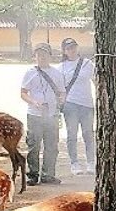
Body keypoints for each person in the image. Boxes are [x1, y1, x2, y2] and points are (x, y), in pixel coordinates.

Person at [21, 42, 65, 185]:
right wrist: (34, 102)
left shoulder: (57, 74)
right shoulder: (30, 73)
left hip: (51, 114)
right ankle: (33, 174)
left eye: (44, 54)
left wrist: (59, 103)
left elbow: (62, 92)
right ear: (35, 56)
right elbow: (23, 93)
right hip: (34, 114)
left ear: (50, 56)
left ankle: (48, 174)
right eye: (39, 55)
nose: (42, 57)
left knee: (52, 146)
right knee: (34, 145)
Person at [58, 37, 95, 174]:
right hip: (70, 104)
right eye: (68, 48)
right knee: (72, 134)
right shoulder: (61, 67)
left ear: (77, 48)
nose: (71, 50)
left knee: (88, 133)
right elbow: (59, 88)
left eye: (73, 47)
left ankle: (91, 162)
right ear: (64, 51)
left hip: (86, 104)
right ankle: (74, 163)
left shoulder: (87, 64)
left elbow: (95, 80)